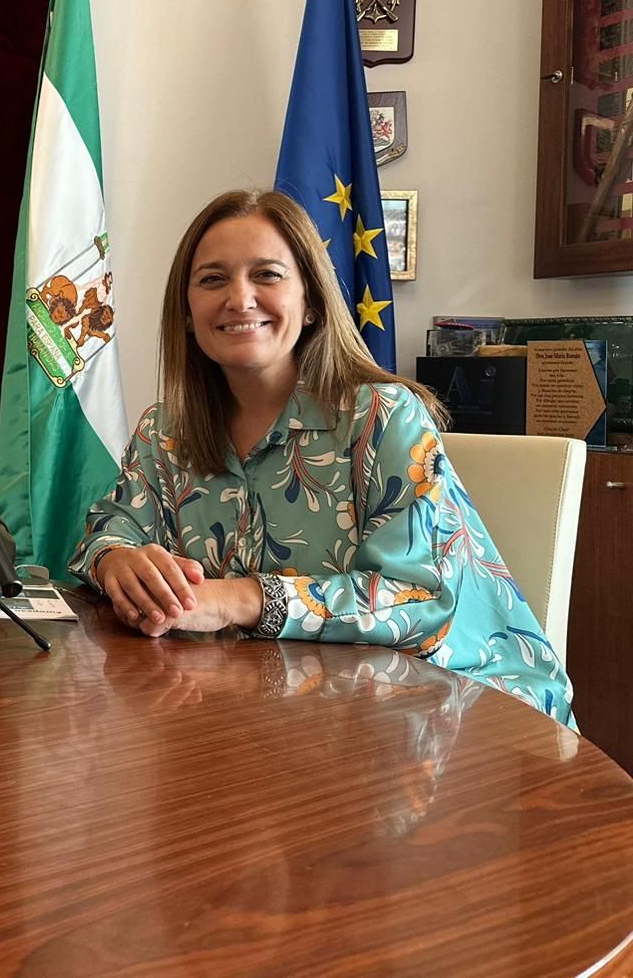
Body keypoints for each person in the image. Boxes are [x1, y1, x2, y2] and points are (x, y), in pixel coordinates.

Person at [69, 189, 573, 726]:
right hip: (270, 709)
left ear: (311, 302)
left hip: (461, 714)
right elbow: (108, 530)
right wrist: (115, 560)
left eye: (267, 274)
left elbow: (417, 597)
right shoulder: (164, 431)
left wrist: (239, 599)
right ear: (187, 314)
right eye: (213, 279)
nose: (239, 299)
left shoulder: (382, 416)